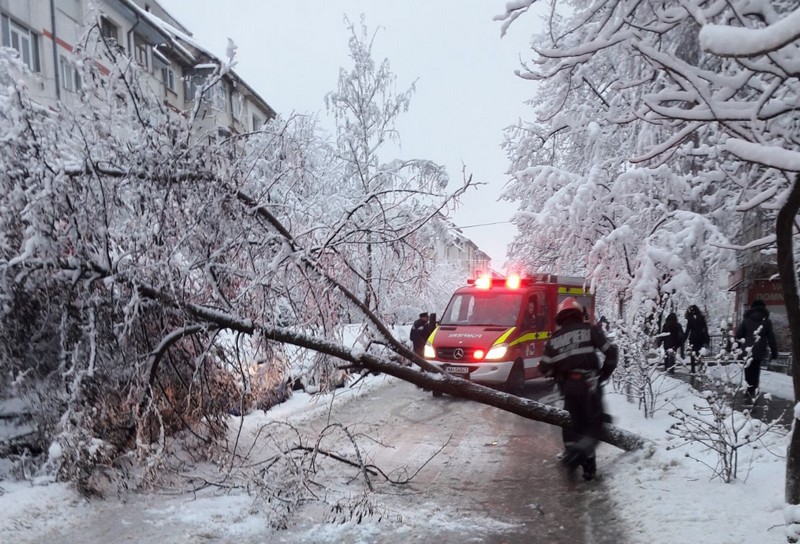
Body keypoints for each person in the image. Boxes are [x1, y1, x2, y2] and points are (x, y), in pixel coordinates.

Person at [538, 297, 618, 481]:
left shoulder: (554, 339)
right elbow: (611, 351)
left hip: (569, 388)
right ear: (578, 314)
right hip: (590, 385)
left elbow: (544, 368)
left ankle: (572, 455)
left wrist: (558, 369)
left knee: (575, 424)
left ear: (561, 317)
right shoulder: (590, 331)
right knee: (594, 425)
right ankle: (584, 463)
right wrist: (604, 374)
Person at [734, 299, 778, 400]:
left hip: (747, 349)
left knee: (748, 370)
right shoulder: (766, 321)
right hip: (760, 349)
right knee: (756, 369)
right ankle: (753, 390)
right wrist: (774, 352)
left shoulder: (746, 320)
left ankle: (748, 390)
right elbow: (771, 337)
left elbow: (738, 334)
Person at [683, 305, 710, 374]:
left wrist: (684, 339)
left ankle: (693, 369)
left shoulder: (690, 319)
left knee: (693, 353)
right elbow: (705, 329)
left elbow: (688, 330)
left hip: (693, 338)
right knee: (699, 353)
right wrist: (706, 339)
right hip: (700, 338)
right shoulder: (701, 318)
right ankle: (700, 367)